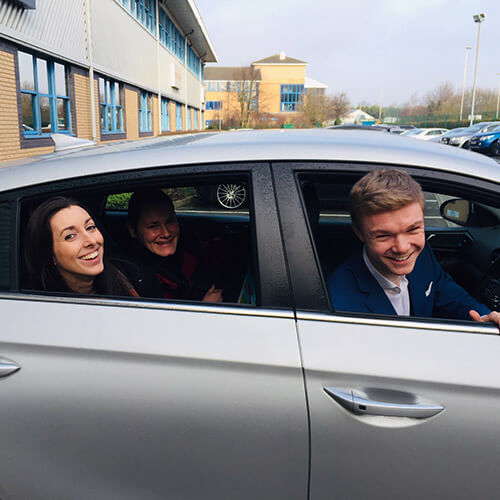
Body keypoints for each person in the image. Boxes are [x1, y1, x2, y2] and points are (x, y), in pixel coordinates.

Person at [327, 169, 500, 328]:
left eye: (412, 229)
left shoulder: (422, 255)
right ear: (359, 233)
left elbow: (449, 296)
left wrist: (485, 318)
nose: (402, 248)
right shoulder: (339, 303)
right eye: (383, 236)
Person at [24, 196, 137, 297]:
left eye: (90, 227)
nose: (92, 241)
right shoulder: (39, 306)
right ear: (49, 254)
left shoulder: (125, 276)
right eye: (70, 236)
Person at [127, 189, 223, 302]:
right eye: (153, 226)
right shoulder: (136, 277)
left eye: (170, 222)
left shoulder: (189, 249)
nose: (166, 233)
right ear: (133, 230)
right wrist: (205, 308)